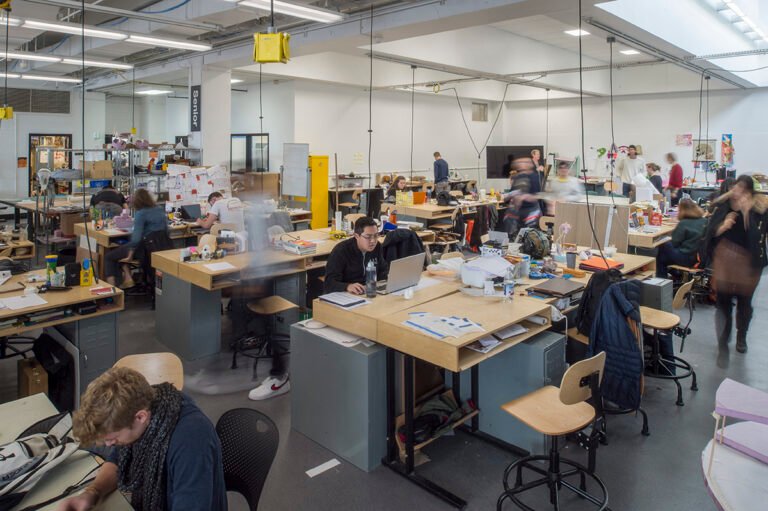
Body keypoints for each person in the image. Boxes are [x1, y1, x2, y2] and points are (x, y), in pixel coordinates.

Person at [57, 367, 227, 511]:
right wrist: (92, 493)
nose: (109, 444)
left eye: (113, 438)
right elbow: (118, 460)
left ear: (140, 417)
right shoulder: (149, 404)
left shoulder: (191, 442)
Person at [705, 175, 768, 354]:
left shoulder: (760, 212)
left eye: (742, 188)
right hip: (726, 263)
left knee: (744, 302)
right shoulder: (723, 207)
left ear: (749, 192)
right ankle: (723, 341)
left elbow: (757, 241)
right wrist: (723, 226)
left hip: (751, 265)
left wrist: (747, 215)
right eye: (736, 187)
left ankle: (742, 336)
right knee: (723, 303)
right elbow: (710, 234)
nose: (738, 192)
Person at [104, 189, 167, 289]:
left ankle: (111, 291)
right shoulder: (159, 209)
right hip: (162, 247)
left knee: (109, 256)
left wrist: (130, 254)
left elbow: (136, 239)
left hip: (145, 249)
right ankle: (128, 278)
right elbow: (167, 230)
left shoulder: (141, 214)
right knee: (120, 252)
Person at [324, 216, 389, 295]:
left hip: (368, 291)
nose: (373, 241)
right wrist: (347, 286)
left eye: (376, 236)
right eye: (368, 237)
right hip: (347, 294)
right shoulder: (341, 251)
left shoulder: (377, 247)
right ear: (356, 236)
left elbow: (383, 271)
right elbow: (329, 283)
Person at [655, 199, 706, 278]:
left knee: (663, 248)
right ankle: (674, 274)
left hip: (688, 259)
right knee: (664, 252)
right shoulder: (704, 221)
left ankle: (662, 279)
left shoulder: (684, 223)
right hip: (700, 259)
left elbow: (675, 243)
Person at [502, 158, 542, 237]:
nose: (520, 164)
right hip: (517, 211)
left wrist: (524, 197)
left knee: (530, 236)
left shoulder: (535, 177)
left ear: (529, 165)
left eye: (523, 162)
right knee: (508, 223)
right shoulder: (517, 177)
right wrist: (509, 196)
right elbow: (513, 193)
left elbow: (537, 196)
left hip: (531, 210)